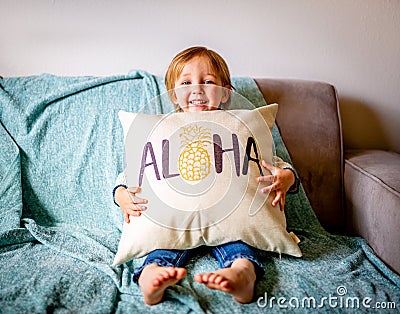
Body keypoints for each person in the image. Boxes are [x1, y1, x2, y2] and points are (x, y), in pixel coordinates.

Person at [113, 46, 299, 305]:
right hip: (173, 221)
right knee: (160, 248)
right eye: (186, 82)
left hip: (230, 219)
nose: (197, 89)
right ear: (174, 96)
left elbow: (272, 163)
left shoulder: (241, 127)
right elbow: (133, 171)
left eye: (208, 82)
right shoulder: (162, 130)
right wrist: (121, 194)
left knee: (239, 245)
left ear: (225, 94)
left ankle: (242, 273)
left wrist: (287, 178)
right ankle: (152, 276)